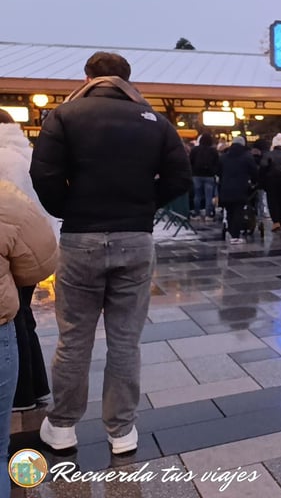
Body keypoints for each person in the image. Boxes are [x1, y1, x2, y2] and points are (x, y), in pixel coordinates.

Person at [29, 52, 191, 454]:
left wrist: (71, 209)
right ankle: (122, 431)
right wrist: (142, 206)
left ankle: (62, 426)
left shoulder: (64, 116)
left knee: (74, 338)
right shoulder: (154, 120)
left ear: (87, 77)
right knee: (125, 341)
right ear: (126, 79)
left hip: (81, 237)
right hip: (135, 238)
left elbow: (43, 175)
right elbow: (179, 178)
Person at [0, 108, 58, 496]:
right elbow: (37, 231)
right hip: (16, 259)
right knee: (21, 322)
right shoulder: (23, 155)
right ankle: (30, 389)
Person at [218, 136, 258, 243]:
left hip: (225, 188)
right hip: (241, 187)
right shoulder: (247, 157)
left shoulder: (224, 157)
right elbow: (255, 172)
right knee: (238, 211)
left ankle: (232, 232)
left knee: (230, 211)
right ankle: (235, 235)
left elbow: (218, 171)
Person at [262, 133, 281, 231]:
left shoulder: (268, 155)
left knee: (272, 201)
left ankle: (276, 221)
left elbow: (263, 167)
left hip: (271, 181)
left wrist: (263, 181)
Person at [189, 133, 220, 220]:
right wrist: (214, 172)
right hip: (209, 175)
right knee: (208, 196)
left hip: (196, 175)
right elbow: (217, 162)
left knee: (197, 195)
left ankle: (197, 213)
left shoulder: (195, 150)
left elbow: (190, 161)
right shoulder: (213, 151)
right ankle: (207, 214)